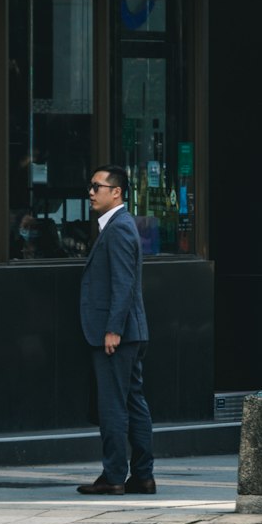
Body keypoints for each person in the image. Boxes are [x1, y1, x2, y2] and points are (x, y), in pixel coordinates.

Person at [77, 165, 155, 495]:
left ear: (116, 192)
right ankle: (142, 476)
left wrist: (112, 329)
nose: (91, 192)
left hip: (117, 335)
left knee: (114, 406)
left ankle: (113, 476)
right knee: (134, 403)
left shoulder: (119, 228)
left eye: (97, 187)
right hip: (129, 333)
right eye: (91, 186)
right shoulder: (119, 226)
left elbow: (124, 284)